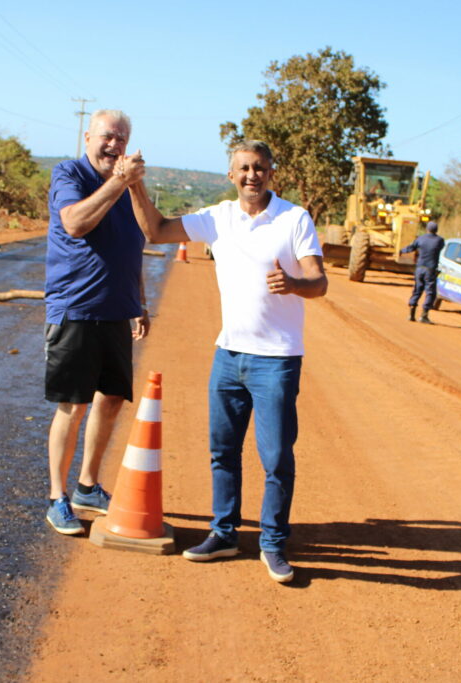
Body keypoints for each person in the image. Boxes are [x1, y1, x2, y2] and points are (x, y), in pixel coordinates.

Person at [119, 140, 328, 583]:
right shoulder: (218, 218)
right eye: (243, 169)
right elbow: (156, 231)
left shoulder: (294, 219)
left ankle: (272, 544)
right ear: (231, 176)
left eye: (259, 168)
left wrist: (293, 283)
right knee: (222, 451)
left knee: (274, 458)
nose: (252, 175)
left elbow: (318, 280)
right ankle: (224, 532)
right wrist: (136, 185)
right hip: (228, 355)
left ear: (272, 172)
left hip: (277, 359)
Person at [42, 109, 150, 536]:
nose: (114, 145)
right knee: (73, 404)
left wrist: (139, 301)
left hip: (115, 311)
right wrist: (120, 181)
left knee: (110, 398)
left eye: (121, 139)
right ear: (88, 136)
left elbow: (135, 243)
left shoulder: (127, 188)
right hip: (76, 309)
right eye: (107, 136)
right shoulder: (69, 173)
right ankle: (57, 497)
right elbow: (74, 222)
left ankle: (87, 486)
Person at [400, 220, 445, 323]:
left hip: (419, 268)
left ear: (427, 229)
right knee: (430, 292)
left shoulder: (420, 239)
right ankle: (424, 316)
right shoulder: (440, 240)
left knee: (417, 290)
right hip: (430, 269)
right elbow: (440, 248)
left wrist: (402, 251)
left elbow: (411, 248)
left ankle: (411, 314)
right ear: (436, 230)